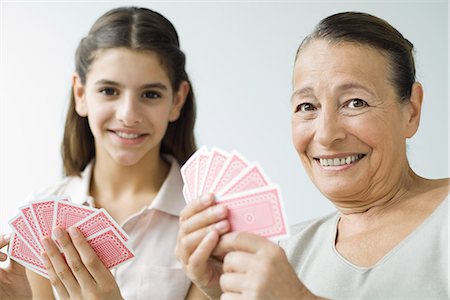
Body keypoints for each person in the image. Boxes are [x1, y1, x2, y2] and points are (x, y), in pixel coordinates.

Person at [175, 11, 449, 299]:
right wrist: (219, 291)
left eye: (355, 102)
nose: (326, 134)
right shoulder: (286, 253)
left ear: (412, 111)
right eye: (307, 106)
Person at [0, 6, 201, 299]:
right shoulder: (41, 214)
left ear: (177, 99)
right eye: (109, 91)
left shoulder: (204, 220)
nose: (129, 115)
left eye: (150, 94)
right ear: (81, 94)